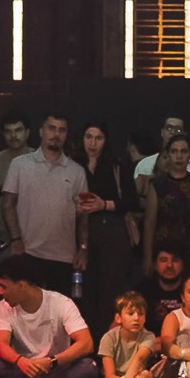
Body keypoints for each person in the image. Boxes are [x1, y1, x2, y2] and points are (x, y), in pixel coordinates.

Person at [0, 254, 100, 378]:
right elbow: (1, 345)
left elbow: (86, 343)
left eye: (4, 287)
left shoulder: (61, 303)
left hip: (55, 368)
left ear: (21, 285)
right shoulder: (3, 307)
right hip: (23, 369)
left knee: (89, 367)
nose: (0, 292)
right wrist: (20, 361)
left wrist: (52, 362)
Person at [1, 111, 88, 295]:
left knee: (59, 310)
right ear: (41, 131)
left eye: (61, 130)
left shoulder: (76, 171)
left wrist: (83, 248)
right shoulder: (19, 165)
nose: (56, 134)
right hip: (28, 252)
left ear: (66, 134)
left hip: (64, 256)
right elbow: (7, 204)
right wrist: (16, 240)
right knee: (26, 307)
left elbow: (83, 214)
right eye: (51, 128)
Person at [74, 120, 136, 339]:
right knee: (83, 291)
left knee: (110, 291)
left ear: (106, 140)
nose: (93, 143)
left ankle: (107, 343)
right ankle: (84, 342)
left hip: (112, 231)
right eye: (89, 137)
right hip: (80, 232)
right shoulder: (72, 164)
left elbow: (132, 201)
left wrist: (104, 204)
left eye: (98, 138)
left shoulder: (116, 165)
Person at [143, 134, 190, 274]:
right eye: (174, 151)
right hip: (166, 249)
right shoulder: (157, 185)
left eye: (183, 151)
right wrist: (147, 257)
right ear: (167, 155)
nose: (179, 156)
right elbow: (149, 223)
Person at [97, 290, 162, 378]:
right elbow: (109, 376)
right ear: (118, 318)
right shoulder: (109, 338)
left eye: (140, 314)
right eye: (131, 314)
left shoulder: (148, 336)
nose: (136, 318)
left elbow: (139, 357)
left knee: (146, 375)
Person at [0, 111, 31, 256]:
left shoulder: (40, 161)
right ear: (3, 135)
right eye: (8, 132)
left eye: (18, 130)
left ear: (27, 133)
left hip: (32, 240)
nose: (13, 136)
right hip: (0, 241)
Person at [136, 245, 188, 326]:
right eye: (163, 260)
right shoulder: (141, 292)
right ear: (155, 265)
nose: (169, 265)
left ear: (183, 265)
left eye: (175, 260)